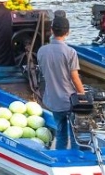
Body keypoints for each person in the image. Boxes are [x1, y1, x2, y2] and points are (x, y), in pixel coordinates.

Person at [36, 12, 83, 150]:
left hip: (53, 100)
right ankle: (76, 158)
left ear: (51, 31)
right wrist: (82, 95)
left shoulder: (41, 51)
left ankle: (61, 155)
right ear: (67, 33)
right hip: (70, 100)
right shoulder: (70, 52)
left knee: (61, 133)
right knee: (76, 135)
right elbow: (75, 78)